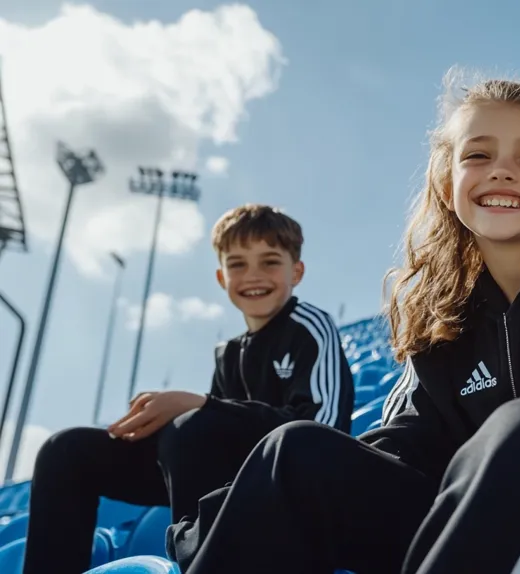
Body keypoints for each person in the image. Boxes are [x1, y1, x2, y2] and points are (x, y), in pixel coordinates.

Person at [168, 72, 520, 574]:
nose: (502, 170)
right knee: (297, 453)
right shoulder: (440, 310)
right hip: (485, 518)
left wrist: (494, 451)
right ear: (446, 183)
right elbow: (400, 442)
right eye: (478, 155)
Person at [24, 204, 353, 574]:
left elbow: (322, 431)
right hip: (231, 486)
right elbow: (216, 437)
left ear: (297, 271)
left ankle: (206, 565)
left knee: (191, 426)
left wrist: (199, 404)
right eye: (238, 264)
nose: (253, 275)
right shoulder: (229, 353)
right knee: (66, 450)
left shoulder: (310, 326)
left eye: (270, 261)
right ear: (221, 277)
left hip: (294, 483)